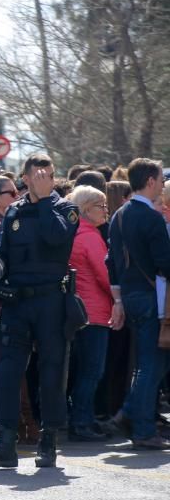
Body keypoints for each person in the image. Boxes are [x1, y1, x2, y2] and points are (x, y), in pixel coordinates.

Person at [0, 153, 80, 468]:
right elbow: (2, 253)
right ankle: (5, 442)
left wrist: (46, 199)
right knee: (8, 370)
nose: (41, 176)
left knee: (51, 370)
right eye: (35, 172)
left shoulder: (65, 209)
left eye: (46, 172)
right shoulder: (15, 212)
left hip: (50, 301)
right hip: (17, 302)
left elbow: (56, 239)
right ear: (24, 177)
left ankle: (48, 440)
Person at [106, 158, 170, 450]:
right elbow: (164, 263)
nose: (160, 185)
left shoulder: (119, 214)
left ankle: (131, 413)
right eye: (159, 179)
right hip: (151, 297)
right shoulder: (152, 218)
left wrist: (118, 300)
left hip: (130, 296)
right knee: (150, 364)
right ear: (150, 182)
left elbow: (112, 262)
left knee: (150, 363)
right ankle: (141, 427)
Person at [65, 185, 112, 442]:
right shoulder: (90, 236)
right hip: (94, 311)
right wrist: (119, 296)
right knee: (92, 370)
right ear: (85, 209)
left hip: (78, 313)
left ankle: (82, 417)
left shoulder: (73, 233)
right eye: (100, 206)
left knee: (82, 370)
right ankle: (82, 421)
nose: (105, 210)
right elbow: (105, 275)